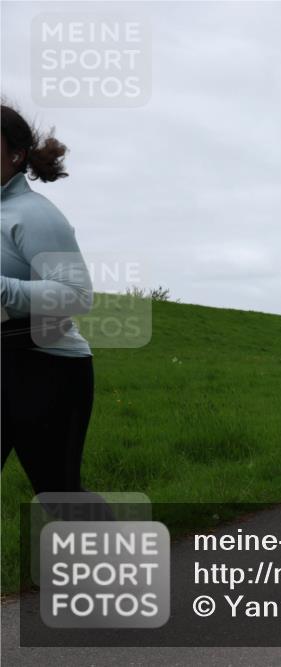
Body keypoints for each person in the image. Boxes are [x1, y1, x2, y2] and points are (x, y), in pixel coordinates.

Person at [1, 104, 102, 510]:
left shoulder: (35, 215)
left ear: (15, 155)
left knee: (59, 496)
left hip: (47, 369)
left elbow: (77, 294)